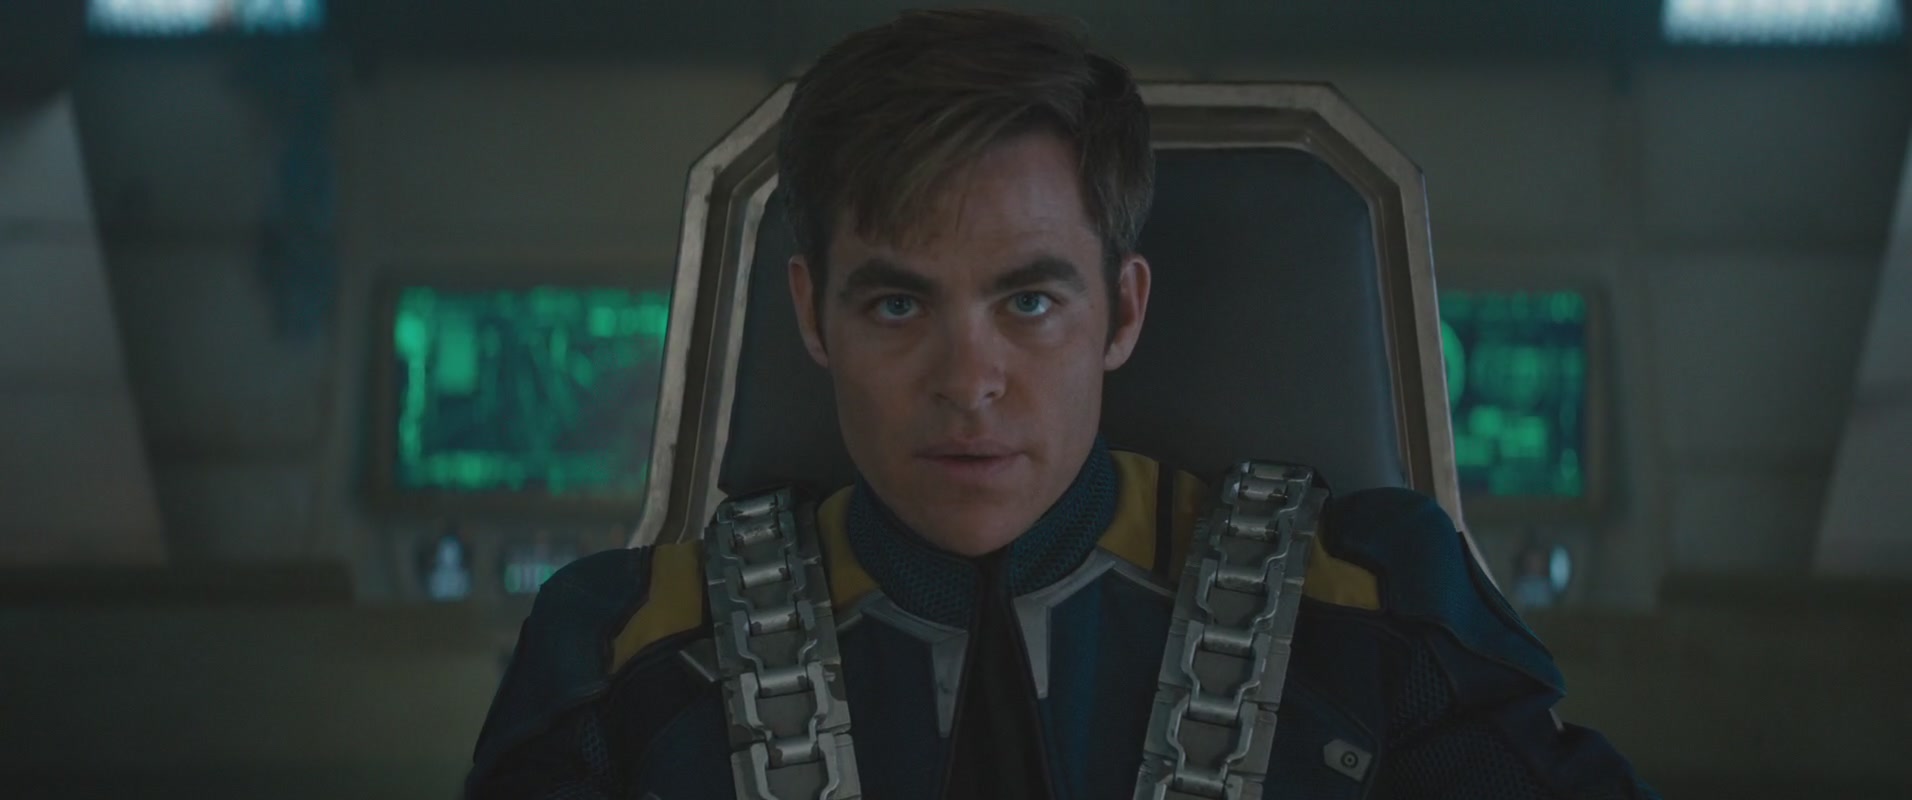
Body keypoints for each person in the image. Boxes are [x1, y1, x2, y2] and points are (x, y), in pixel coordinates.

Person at [465, 9, 1657, 799]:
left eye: (1028, 301)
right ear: (811, 313)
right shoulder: (624, 649)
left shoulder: (1370, 606)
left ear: (1122, 312)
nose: (967, 379)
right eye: (896, 303)